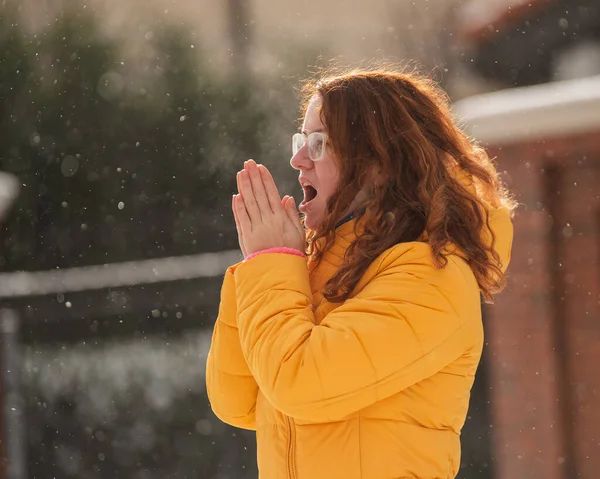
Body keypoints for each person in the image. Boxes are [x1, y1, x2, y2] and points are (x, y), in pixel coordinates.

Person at [205, 65, 515, 479]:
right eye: (301, 140)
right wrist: (263, 264)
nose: (297, 159)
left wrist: (271, 263)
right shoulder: (309, 268)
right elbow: (237, 399)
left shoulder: (431, 276)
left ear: (381, 162)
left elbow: (297, 383)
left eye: (318, 144)